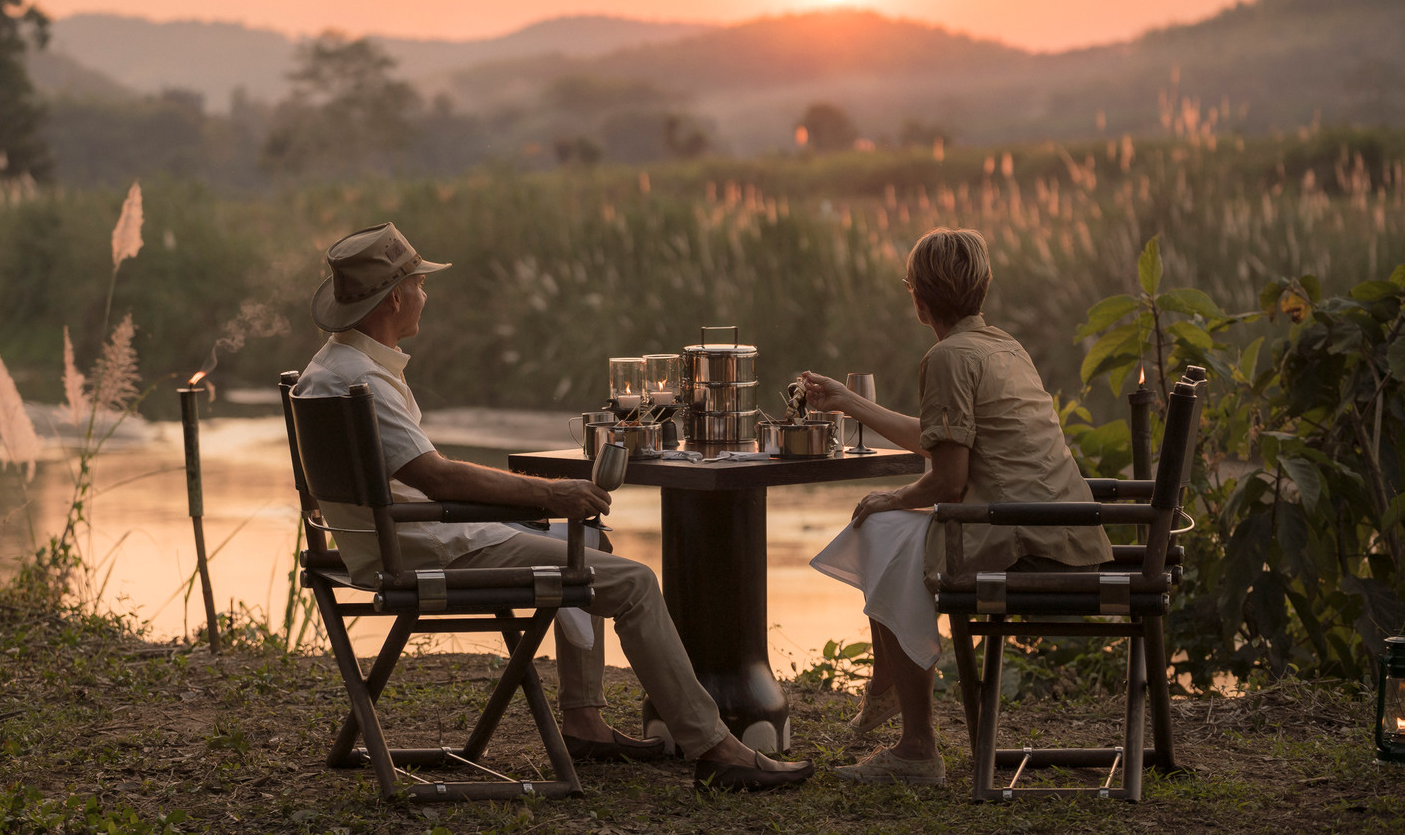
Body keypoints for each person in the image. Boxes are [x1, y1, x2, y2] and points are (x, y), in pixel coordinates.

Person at [294, 222, 811, 792]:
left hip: (381, 543)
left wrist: (534, 503)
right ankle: (717, 748)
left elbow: (400, 482)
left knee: (587, 543)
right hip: (421, 550)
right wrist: (552, 493)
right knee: (635, 582)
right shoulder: (361, 380)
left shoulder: (327, 370)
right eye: (418, 283)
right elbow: (436, 477)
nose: (425, 294)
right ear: (395, 297)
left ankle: (584, 722)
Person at [800, 227, 1112, 785]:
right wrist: (849, 402)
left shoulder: (946, 357)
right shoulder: (1001, 347)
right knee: (891, 530)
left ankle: (913, 740)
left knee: (884, 531)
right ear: (982, 289)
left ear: (918, 299)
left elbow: (947, 480)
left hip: (1023, 544)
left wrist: (889, 497)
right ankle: (888, 692)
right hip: (1065, 534)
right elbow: (944, 438)